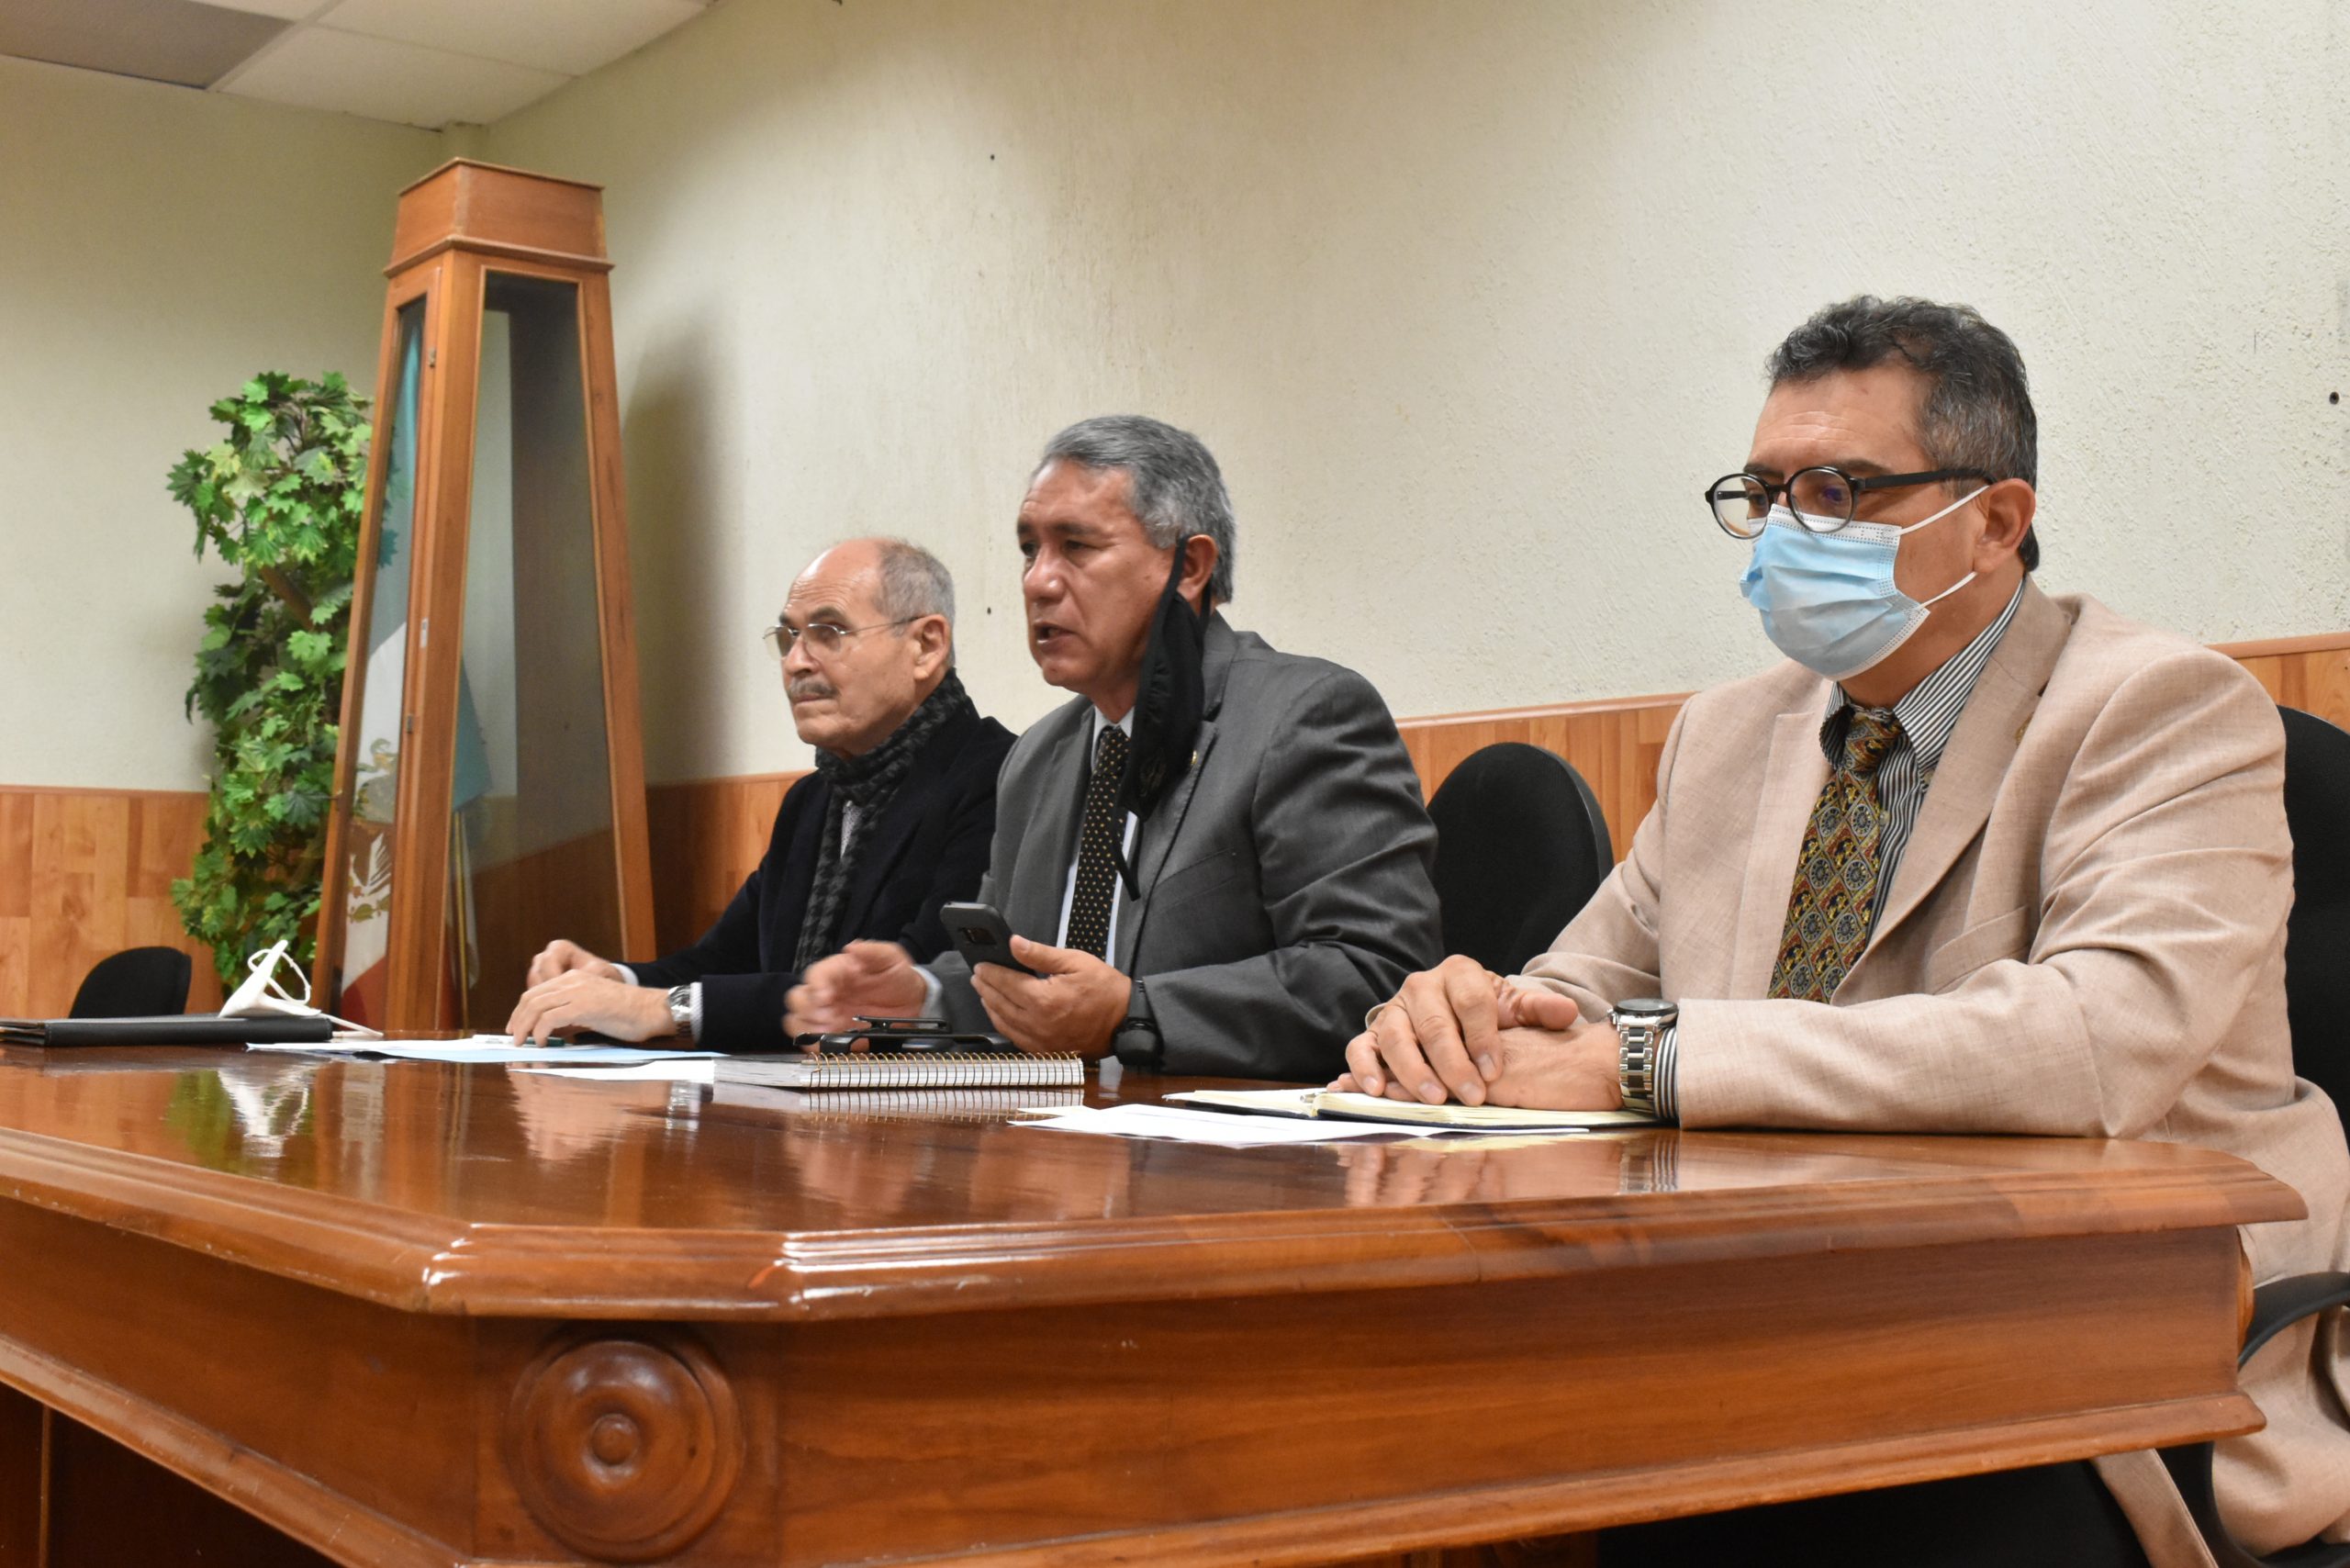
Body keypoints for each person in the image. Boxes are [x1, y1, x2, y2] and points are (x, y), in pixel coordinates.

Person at [1341, 297, 2350, 1567]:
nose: (1784, 533)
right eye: (1763, 495)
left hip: (2107, 1370)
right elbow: (1574, 996)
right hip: (1772, 1329)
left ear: (1995, 521)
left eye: (1837, 491)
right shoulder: (1726, 736)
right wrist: (1464, 1021)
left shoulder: (2161, 708)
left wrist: (1644, 1060)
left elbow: (2093, 1046)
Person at [790, 416, 1440, 1080]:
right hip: (1064, 1128)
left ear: (1189, 568)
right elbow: (1030, 979)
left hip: (1235, 1137)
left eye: (1076, 546)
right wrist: (923, 997)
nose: (1038, 582)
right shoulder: (1035, 758)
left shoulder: (1303, 716)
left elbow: (1376, 976)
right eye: (1029, 550)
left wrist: (1134, 1014)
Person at [508, 537, 1013, 1050]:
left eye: (829, 632)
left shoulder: (998, 778)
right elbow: (724, 960)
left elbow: (901, 991)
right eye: (789, 637)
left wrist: (656, 1009)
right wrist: (613, 982)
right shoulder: (812, 799)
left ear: (926, 645)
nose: (796, 663)